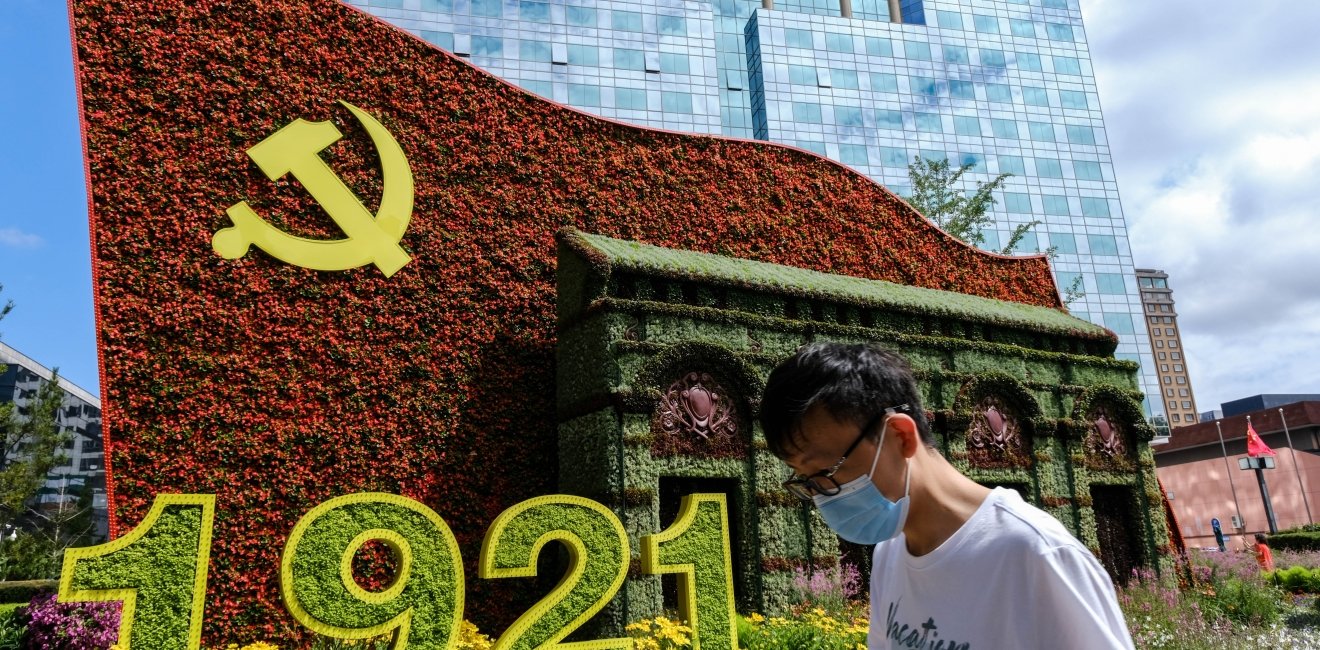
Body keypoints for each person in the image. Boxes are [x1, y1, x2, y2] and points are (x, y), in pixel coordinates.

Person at [760, 342, 1134, 649]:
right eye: (807, 482)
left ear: (900, 437)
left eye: (825, 472)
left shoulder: (1033, 554)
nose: (824, 496)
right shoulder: (891, 552)